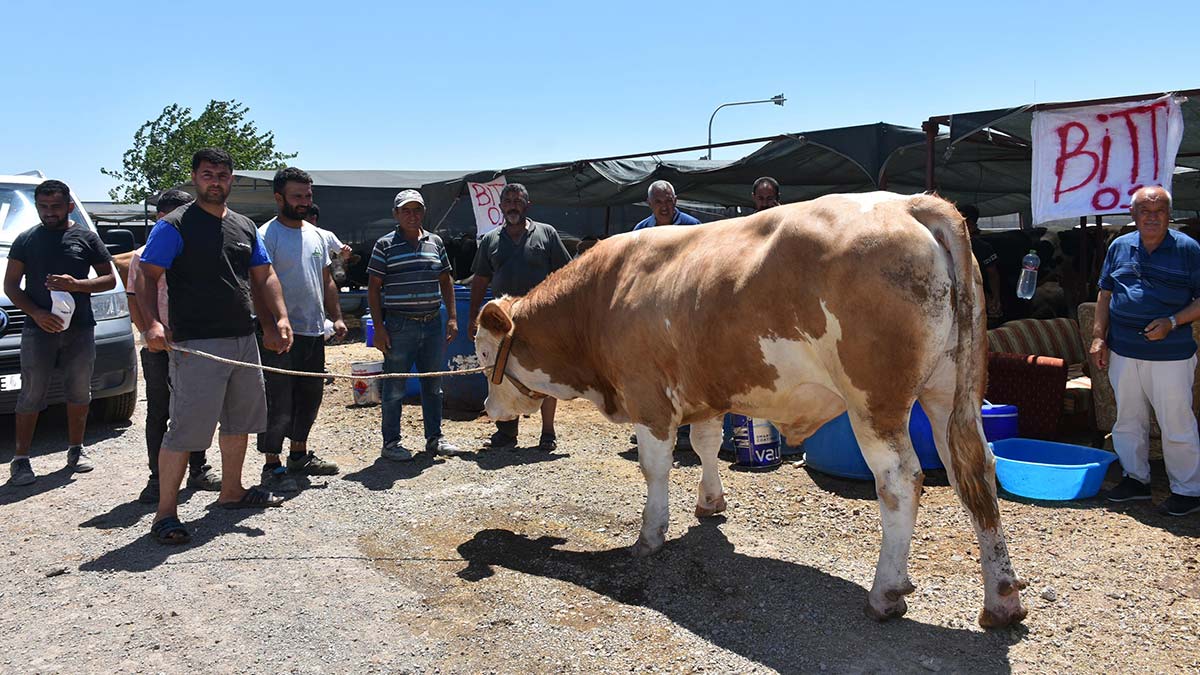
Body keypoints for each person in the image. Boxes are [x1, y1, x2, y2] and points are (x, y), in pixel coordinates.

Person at [137, 148, 292, 545]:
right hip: (196, 343)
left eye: (223, 175)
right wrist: (152, 323)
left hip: (243, 338)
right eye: (208, 174)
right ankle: (165, 513)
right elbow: (147, 277)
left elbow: (265, 275)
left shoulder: (244, 226)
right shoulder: (174, 226)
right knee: (186, 430)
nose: (216, 181)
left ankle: (232, 492)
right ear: (194, 178)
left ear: (231, 179)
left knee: (240, 422)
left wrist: (280, 318)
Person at [1092, 186, 1200, 517]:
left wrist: (1172, 321)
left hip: (1171, 353)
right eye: (1145, 212)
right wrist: (1099, 337)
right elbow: (1105, 293)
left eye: (1159, 211)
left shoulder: (1188, 249)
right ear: (1134, 215)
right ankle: (1135, 479)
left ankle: (1188, 490)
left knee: (1176, 421)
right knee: (1127, 419)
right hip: (1124, 350)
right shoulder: (1120, 246)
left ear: (1169, 214)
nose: (1152, 217)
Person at [3, 180, 116, 486]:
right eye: (43, 206)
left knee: (79, 391)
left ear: (68, 207)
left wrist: (77, 285)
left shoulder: (86, 238)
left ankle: (76, 450)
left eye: (55, 206)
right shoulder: (26, 240)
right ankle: (21, 459)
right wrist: (36, 313)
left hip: (79, 328)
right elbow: (11, 285)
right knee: (31, 394)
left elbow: (108, 279)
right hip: (38, 330)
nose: (48, 213)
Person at [126, 189, 222, 502]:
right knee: (159, 411)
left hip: (196, 345)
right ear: (158, 219)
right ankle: (158, 477)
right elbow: (134, 301)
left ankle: (198, 468)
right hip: (159, 349)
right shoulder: (142, 256)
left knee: (198, 409)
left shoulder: (199, 253)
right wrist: (149, 332)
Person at [256, 168, 347, 491]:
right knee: (278, 399)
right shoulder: (266, 235)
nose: (305, 202)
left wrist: (335, 317)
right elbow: (257, 284)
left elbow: (326, 280)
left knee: (310, 395)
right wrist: (268, 326)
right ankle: (272, 464)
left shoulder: (317, 235)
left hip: (311, 331)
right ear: (279, 197)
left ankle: (299, 455)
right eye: (297, 196)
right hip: (279, 334)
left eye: (308, 196)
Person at [468, 183, 572, 450]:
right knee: (503, 372)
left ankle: (548, 433)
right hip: (501, 322)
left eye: (518, 200)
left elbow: (565, 273)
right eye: (508, 200)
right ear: (501, 206)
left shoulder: (546, 233)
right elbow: (480, 279)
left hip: (541, 320)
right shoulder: (490, 240)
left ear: (528, 205)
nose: (513, 204)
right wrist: (473, 318)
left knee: (546, 372)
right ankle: (507, 432)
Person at [367, 189, 463, 461]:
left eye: (417, 210)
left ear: (423, 212)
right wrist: (379, 327)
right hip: (399, 325)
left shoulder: (436, 242)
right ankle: (391, 443)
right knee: (395, 386)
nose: (412, 215)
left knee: (433, 385)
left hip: (432, 323)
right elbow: (374, 288)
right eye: (406, 210)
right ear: (396, 214)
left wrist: (453, 317)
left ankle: (435, 439)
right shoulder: (384, 245)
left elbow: (446, 280)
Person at [958, 204, 1004, 326]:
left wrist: (995, 298)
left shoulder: (982, 248)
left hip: (980, 297)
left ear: (971, 224)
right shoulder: (947, 246)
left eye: (962, 221)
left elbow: (993, 274)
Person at [632, 180, 701, 230]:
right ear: (650, 203)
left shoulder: (692, 226)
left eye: (668, 201)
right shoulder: (641, 230)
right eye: (658, 201)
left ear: (675, 201)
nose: (664, 206)